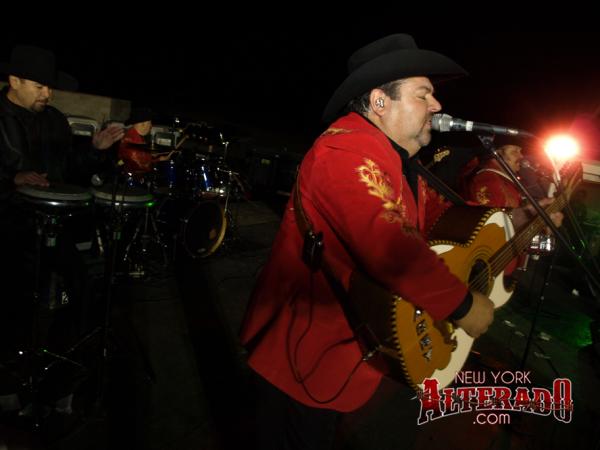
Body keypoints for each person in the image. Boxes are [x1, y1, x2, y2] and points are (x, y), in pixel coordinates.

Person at [239, 34, 496, 449]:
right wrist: (461, 305)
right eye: (423, 94)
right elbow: (390, 244)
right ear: (380, 101)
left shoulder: (396, 161)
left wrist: (515, 220)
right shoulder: (346, 149)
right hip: (303, 358)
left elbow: (441, 220)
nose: (437, 105)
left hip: (339, 354)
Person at [0, 44, 123, 427]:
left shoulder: (53, 120)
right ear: (14, 80)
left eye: (50, 87)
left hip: (53, 226)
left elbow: (69, 169)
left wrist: (95, 150)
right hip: (10, 228)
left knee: (81, 292)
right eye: (40, 86)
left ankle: (59, 382)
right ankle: (9, 388)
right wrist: (11, 178)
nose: (48, 94)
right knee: (14, 308)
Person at [118, 107, 174, 180]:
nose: (151, 126)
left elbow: (140, 156)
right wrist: (159, 160)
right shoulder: (132, 140)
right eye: (150, 123)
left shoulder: (134, 135)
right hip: (134, 179)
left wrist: (150, 155)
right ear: (143, 124)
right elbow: (141, 166)